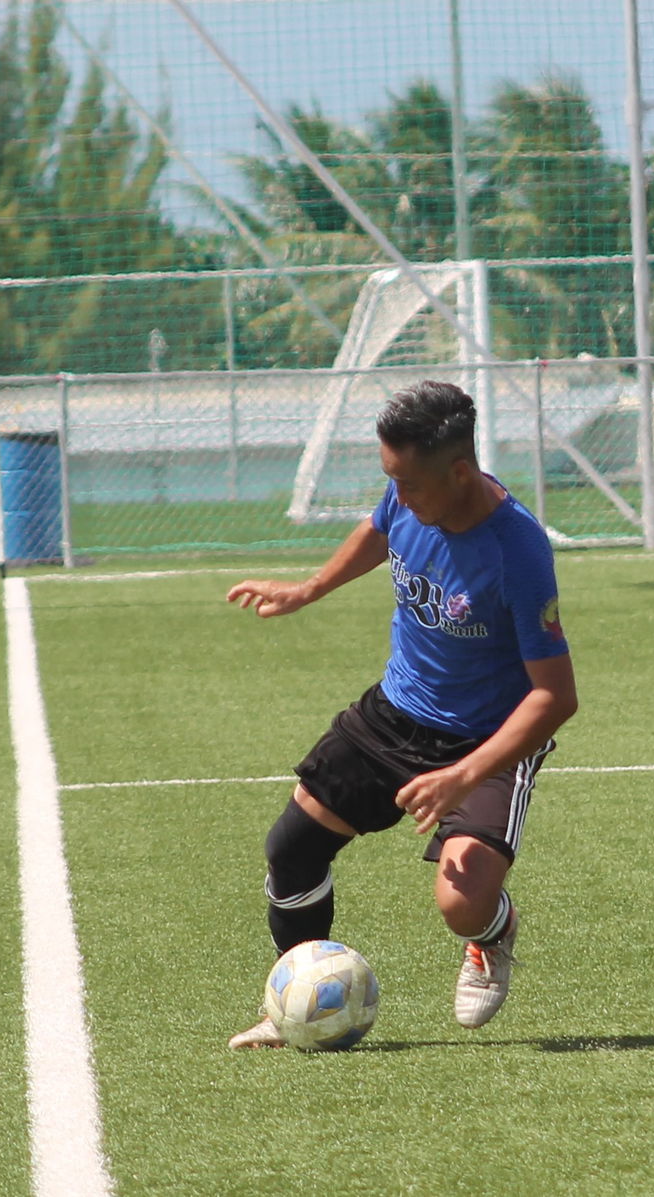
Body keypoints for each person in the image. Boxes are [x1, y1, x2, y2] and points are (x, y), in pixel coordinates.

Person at [225, 379, 577, 1048]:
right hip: (397, 710)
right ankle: (297, 999)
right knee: (291, 850)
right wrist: (308, 588)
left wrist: (463, 775)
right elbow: (379, 527)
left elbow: (555, 697)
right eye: (391, 479)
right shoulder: (411, 495)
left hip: (489, 737)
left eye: (408, 483)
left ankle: (491, 933)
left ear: (460, 472)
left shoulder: (518, 550)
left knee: (461, 901)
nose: (398, 495)